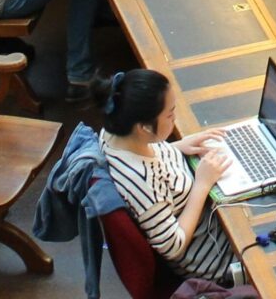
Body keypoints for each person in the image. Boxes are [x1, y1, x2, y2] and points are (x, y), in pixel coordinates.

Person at [97, 70, 243, 281]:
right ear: (144, 128)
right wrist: (201, 185)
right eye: (170, 114)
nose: (175, 118)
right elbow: (173, 246)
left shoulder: (114, 133)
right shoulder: (142, 183)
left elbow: (151, 161)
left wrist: (177, 147)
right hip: (215, 262)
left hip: (212, 221)